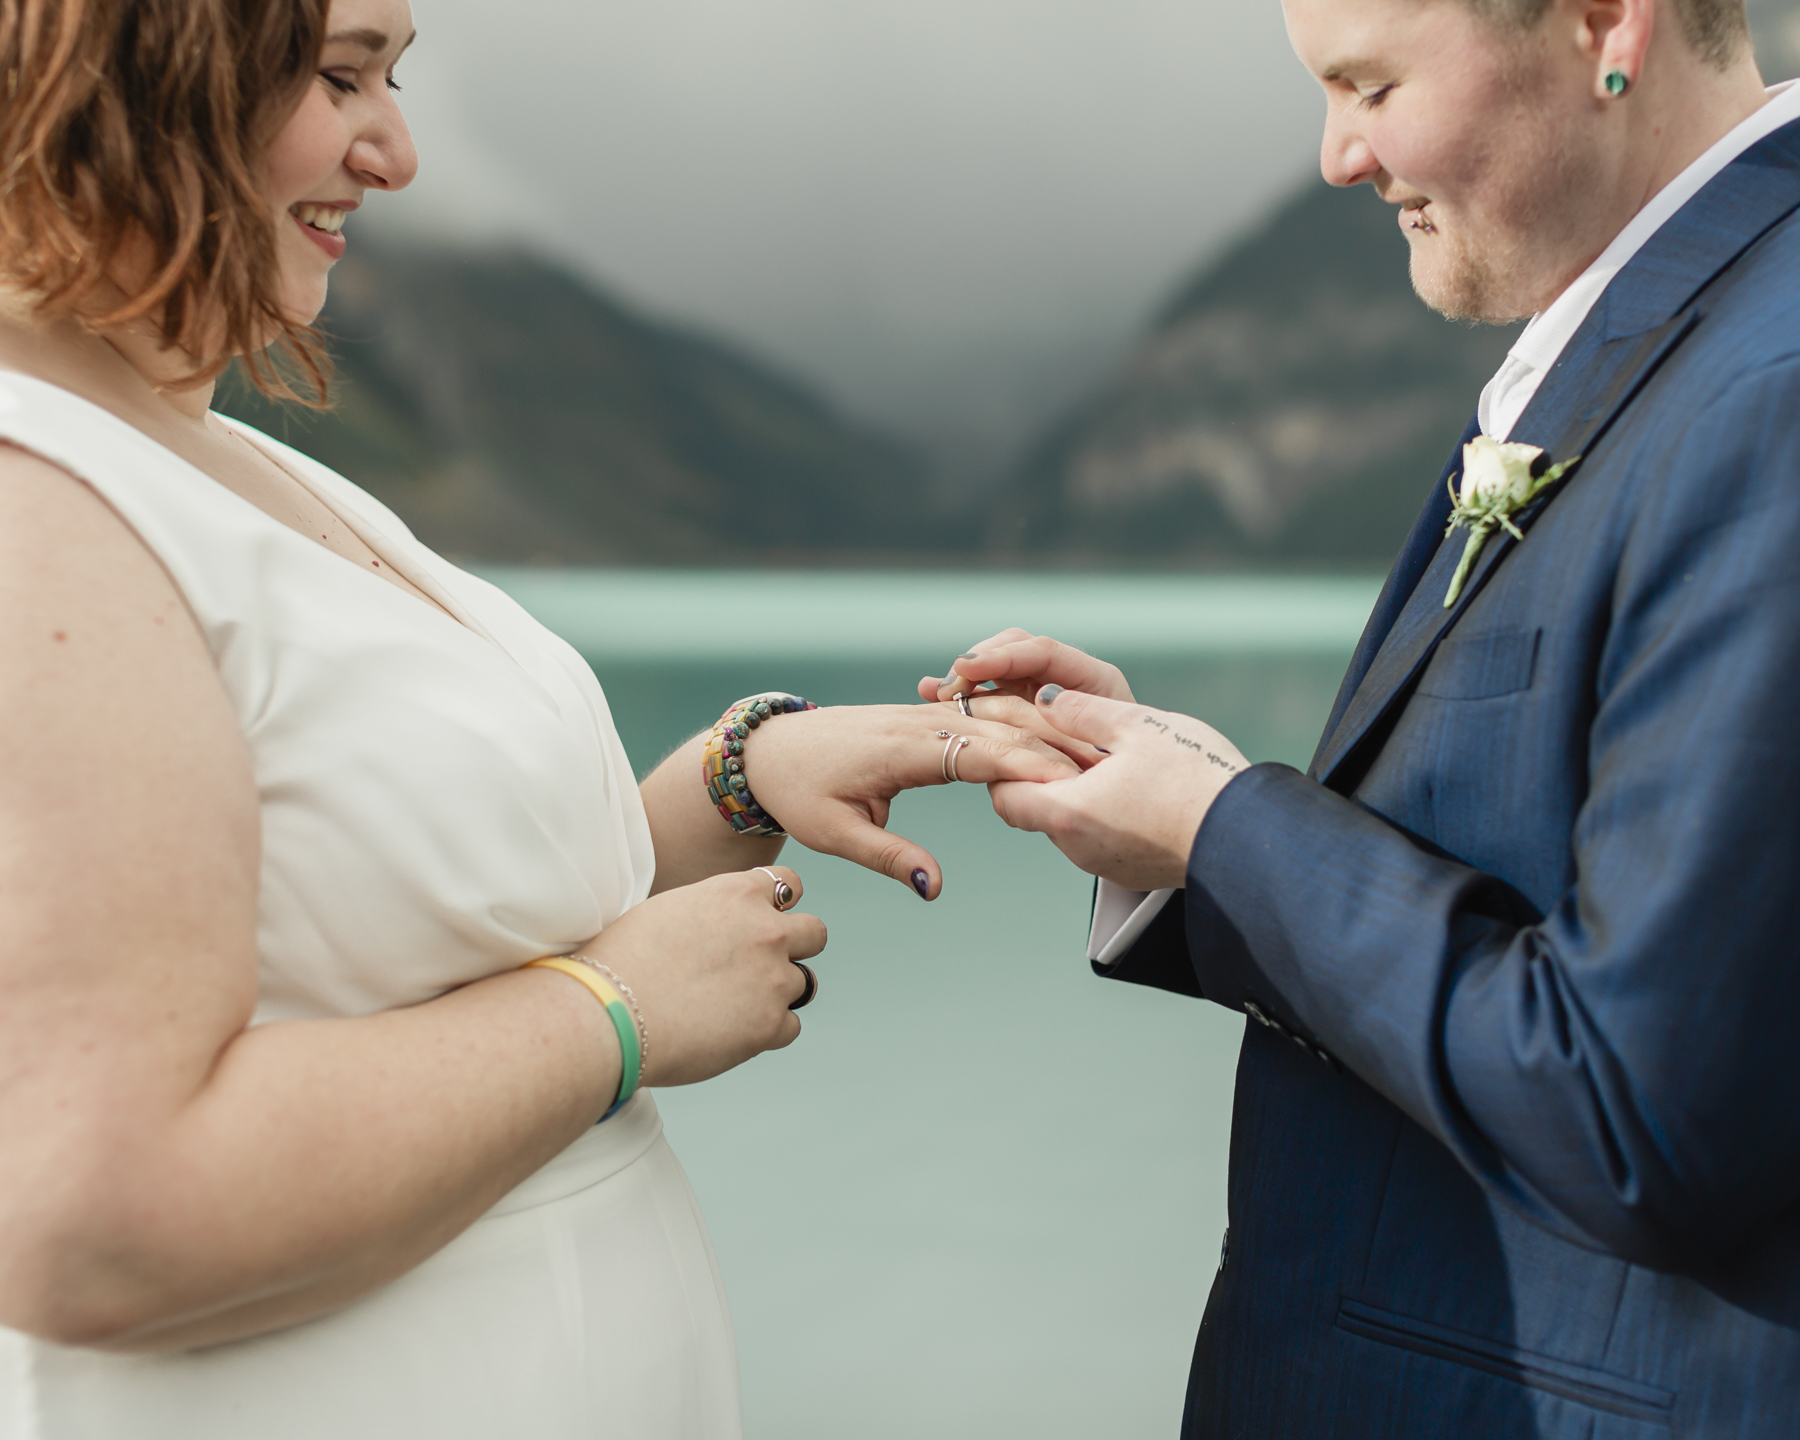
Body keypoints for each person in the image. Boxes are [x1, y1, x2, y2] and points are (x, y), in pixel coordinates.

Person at [0, 2, 1074, 1436]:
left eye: (394, 77)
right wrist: (614, 1016)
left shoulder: (197, 447)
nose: (399, 153)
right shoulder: (36, 511)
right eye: (340, 77)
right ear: (139, 65)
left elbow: (398, 927)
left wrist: (740, 774)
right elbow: (93, 1218)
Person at [925, 0, 1800, 1432]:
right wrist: (1186, 819)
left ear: (1602, 24)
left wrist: (1228, 827)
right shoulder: (1674, 324)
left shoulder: (1775, 388)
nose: (1336, 155)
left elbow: (1641, 1111)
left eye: (1368, 83)